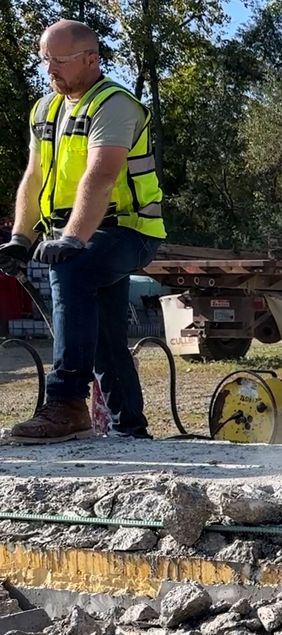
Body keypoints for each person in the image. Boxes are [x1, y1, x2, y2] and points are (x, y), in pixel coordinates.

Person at [0, 19, 165, 443]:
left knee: (73, 269)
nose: (49, 69)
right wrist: (22, 238)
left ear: (91, 60)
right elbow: (34, 178)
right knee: (106, 331)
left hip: (130, 230)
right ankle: (131, 429)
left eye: (59, 60)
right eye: (45, 60)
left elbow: (102, 174)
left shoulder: (114, 105)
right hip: (82, 234)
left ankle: (67, 402)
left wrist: (71, 238)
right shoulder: (45, 109)